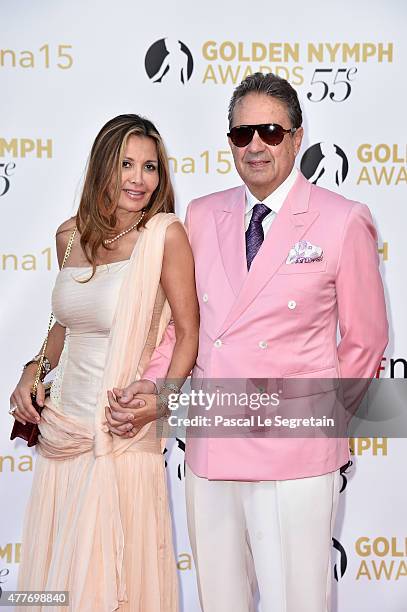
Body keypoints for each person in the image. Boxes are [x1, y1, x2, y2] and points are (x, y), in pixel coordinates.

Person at [107, 74, 388, 612]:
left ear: (297, 137)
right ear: (230, 140)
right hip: (212, 449)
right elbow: (182, 327)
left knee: (296, 601)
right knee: (221, 600)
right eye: (242, 134)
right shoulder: (201, 214)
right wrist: (155, 385)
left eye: (270, 131)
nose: (255, 145)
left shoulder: (342, 219)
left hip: (297, 455)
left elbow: (367, 340)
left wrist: (321, 423)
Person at [9, 114, 199, 612]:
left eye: (150, 167)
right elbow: (65, 326)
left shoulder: (165, 236)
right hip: (63, 430)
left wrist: (159, 401)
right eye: (126, 165)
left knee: (113, 586)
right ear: (102, 168)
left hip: (120, 430)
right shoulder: (68, 236)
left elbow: (189, 333)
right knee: (64, 582)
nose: (139, 179)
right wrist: (33, 370)